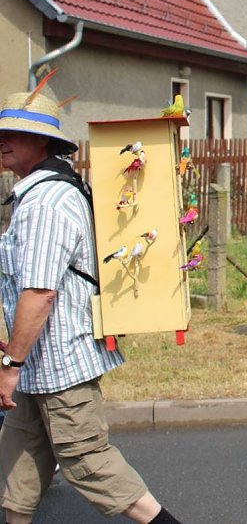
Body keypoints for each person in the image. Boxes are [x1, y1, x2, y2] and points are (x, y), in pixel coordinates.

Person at [0, 90, 181, 524]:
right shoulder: (34, 193)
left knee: (88, 462)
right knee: (19, 460)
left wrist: (10, 364)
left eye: (16, 133)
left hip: (56, 362)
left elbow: (40, 292)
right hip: (36, 365)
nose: (3, 139)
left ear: (43, 142)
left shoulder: (45, 202)